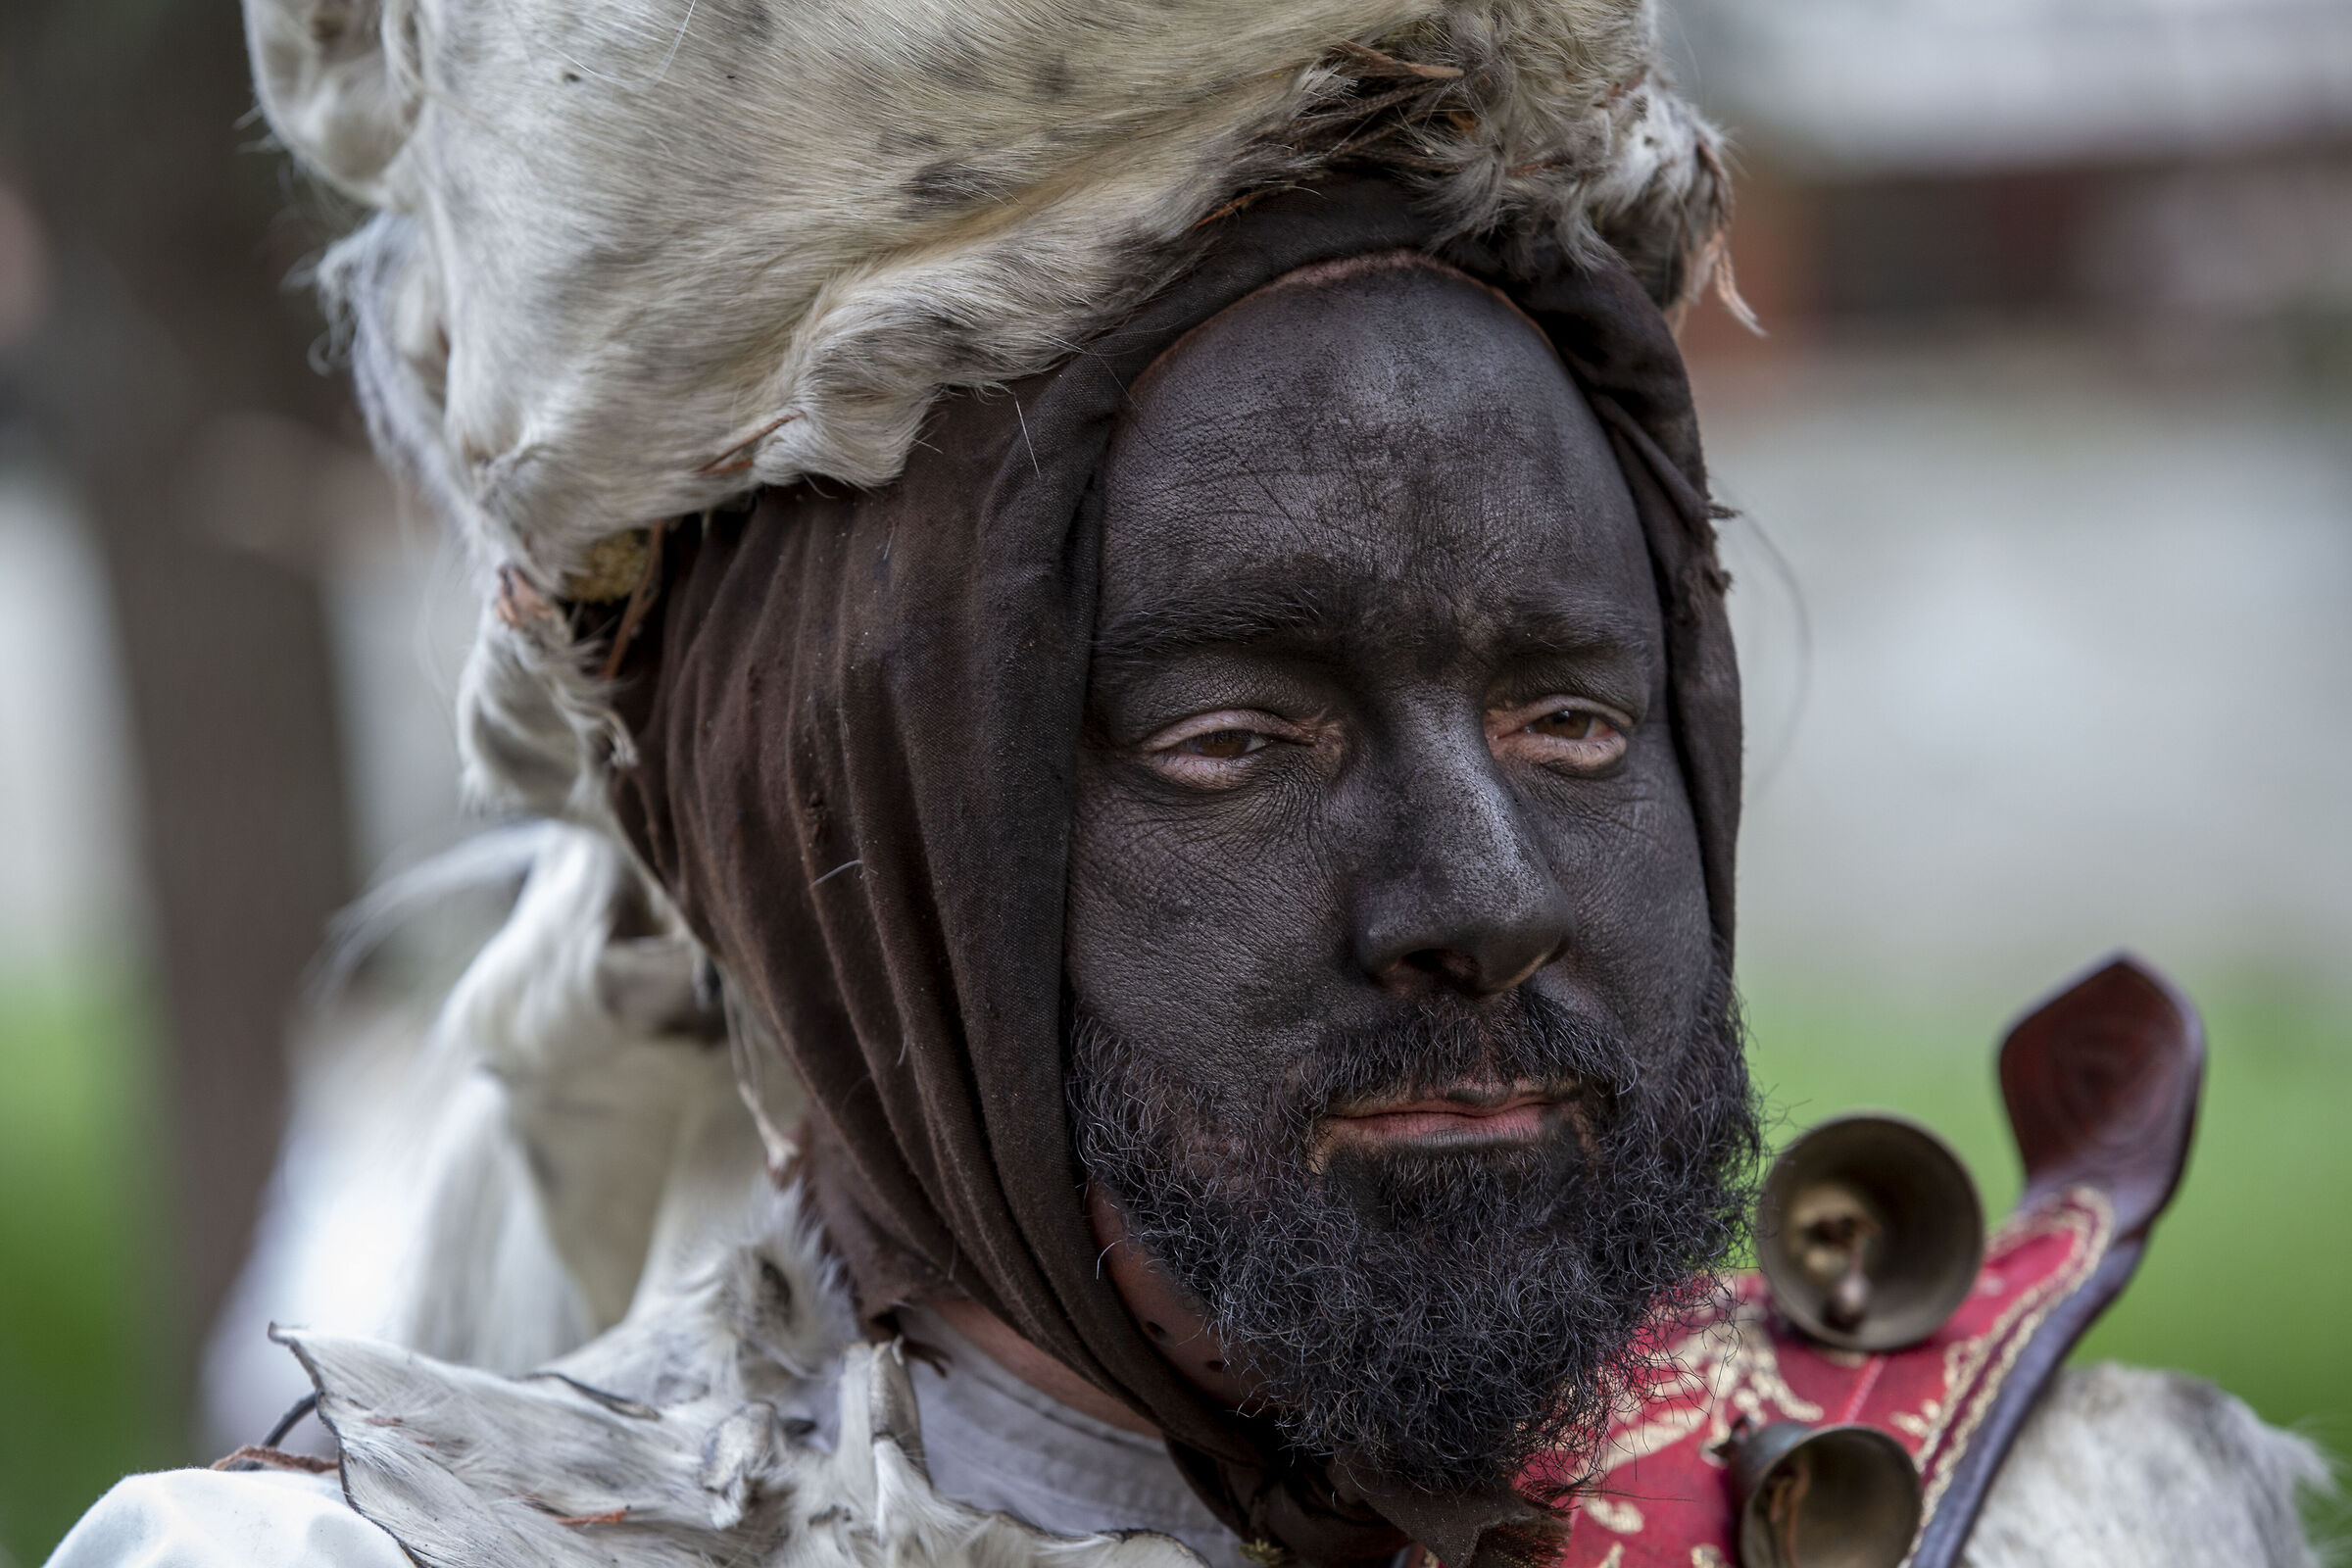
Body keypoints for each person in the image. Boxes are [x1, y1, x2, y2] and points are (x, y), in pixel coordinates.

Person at [49, 3, 2327, 1567]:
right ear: (828, 849)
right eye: (1236, 739)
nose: (1481, 890)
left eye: (1572, 718)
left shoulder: (2082, 1520)